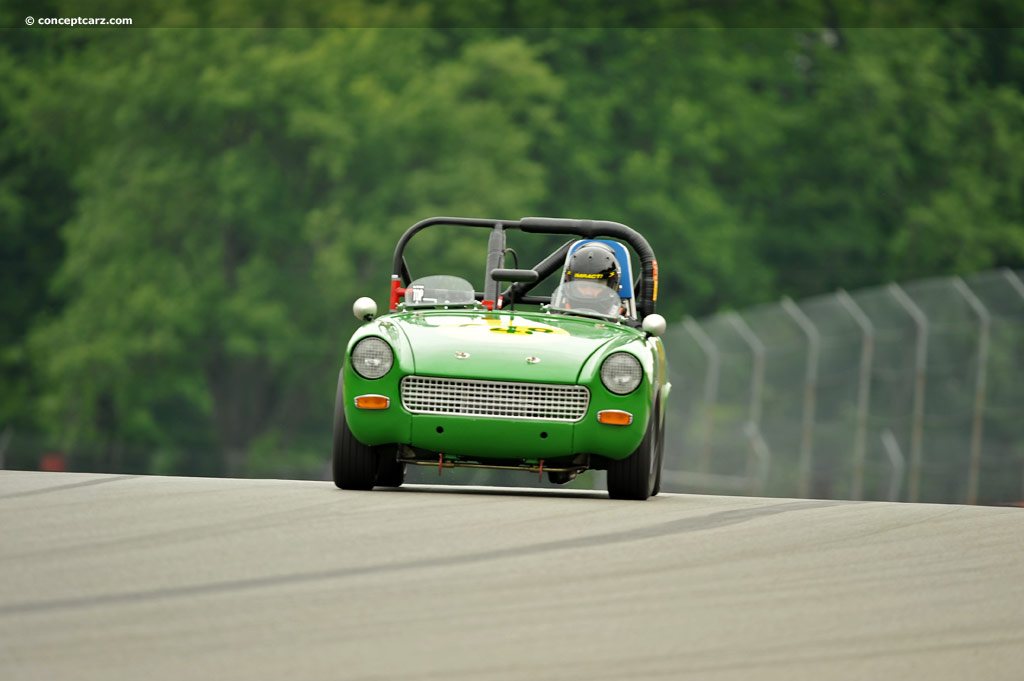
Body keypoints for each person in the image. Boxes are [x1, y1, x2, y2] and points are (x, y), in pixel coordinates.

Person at [555, 241, 623, 316]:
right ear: (569, 284)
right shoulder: (553, 320)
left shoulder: (625, 323)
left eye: (597, 286)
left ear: (612, 285)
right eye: (583, 286)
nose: (588, 293)